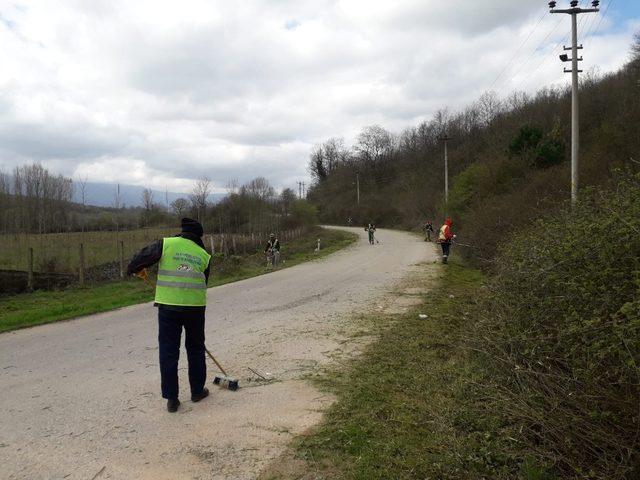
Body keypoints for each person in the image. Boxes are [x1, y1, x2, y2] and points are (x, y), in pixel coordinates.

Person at [127, 218, 211, 413]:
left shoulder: (165, 244)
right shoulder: (204, 255)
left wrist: (136, 269)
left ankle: (172, 399)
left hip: (169, 307)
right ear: (199, 236)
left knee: (168, 352)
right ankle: (197, 391)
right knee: (196, 348)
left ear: (182, 232)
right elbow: (203, 282)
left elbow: (138, 260)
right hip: (195, 308)